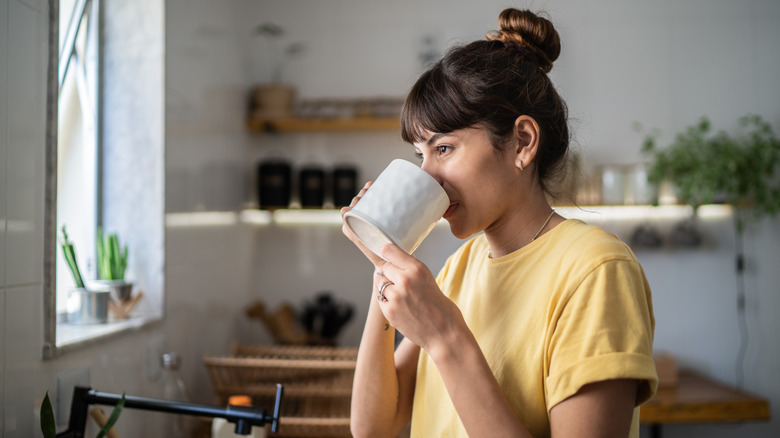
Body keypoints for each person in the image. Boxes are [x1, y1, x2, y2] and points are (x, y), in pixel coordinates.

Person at [341, 8, 657, 438]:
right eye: (421, 155)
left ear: (522, 143)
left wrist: (446, 338)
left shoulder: (596, 270)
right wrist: (385, 264)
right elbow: (373, 426)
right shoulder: (459, 268)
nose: (426, 175)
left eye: (445, 148)